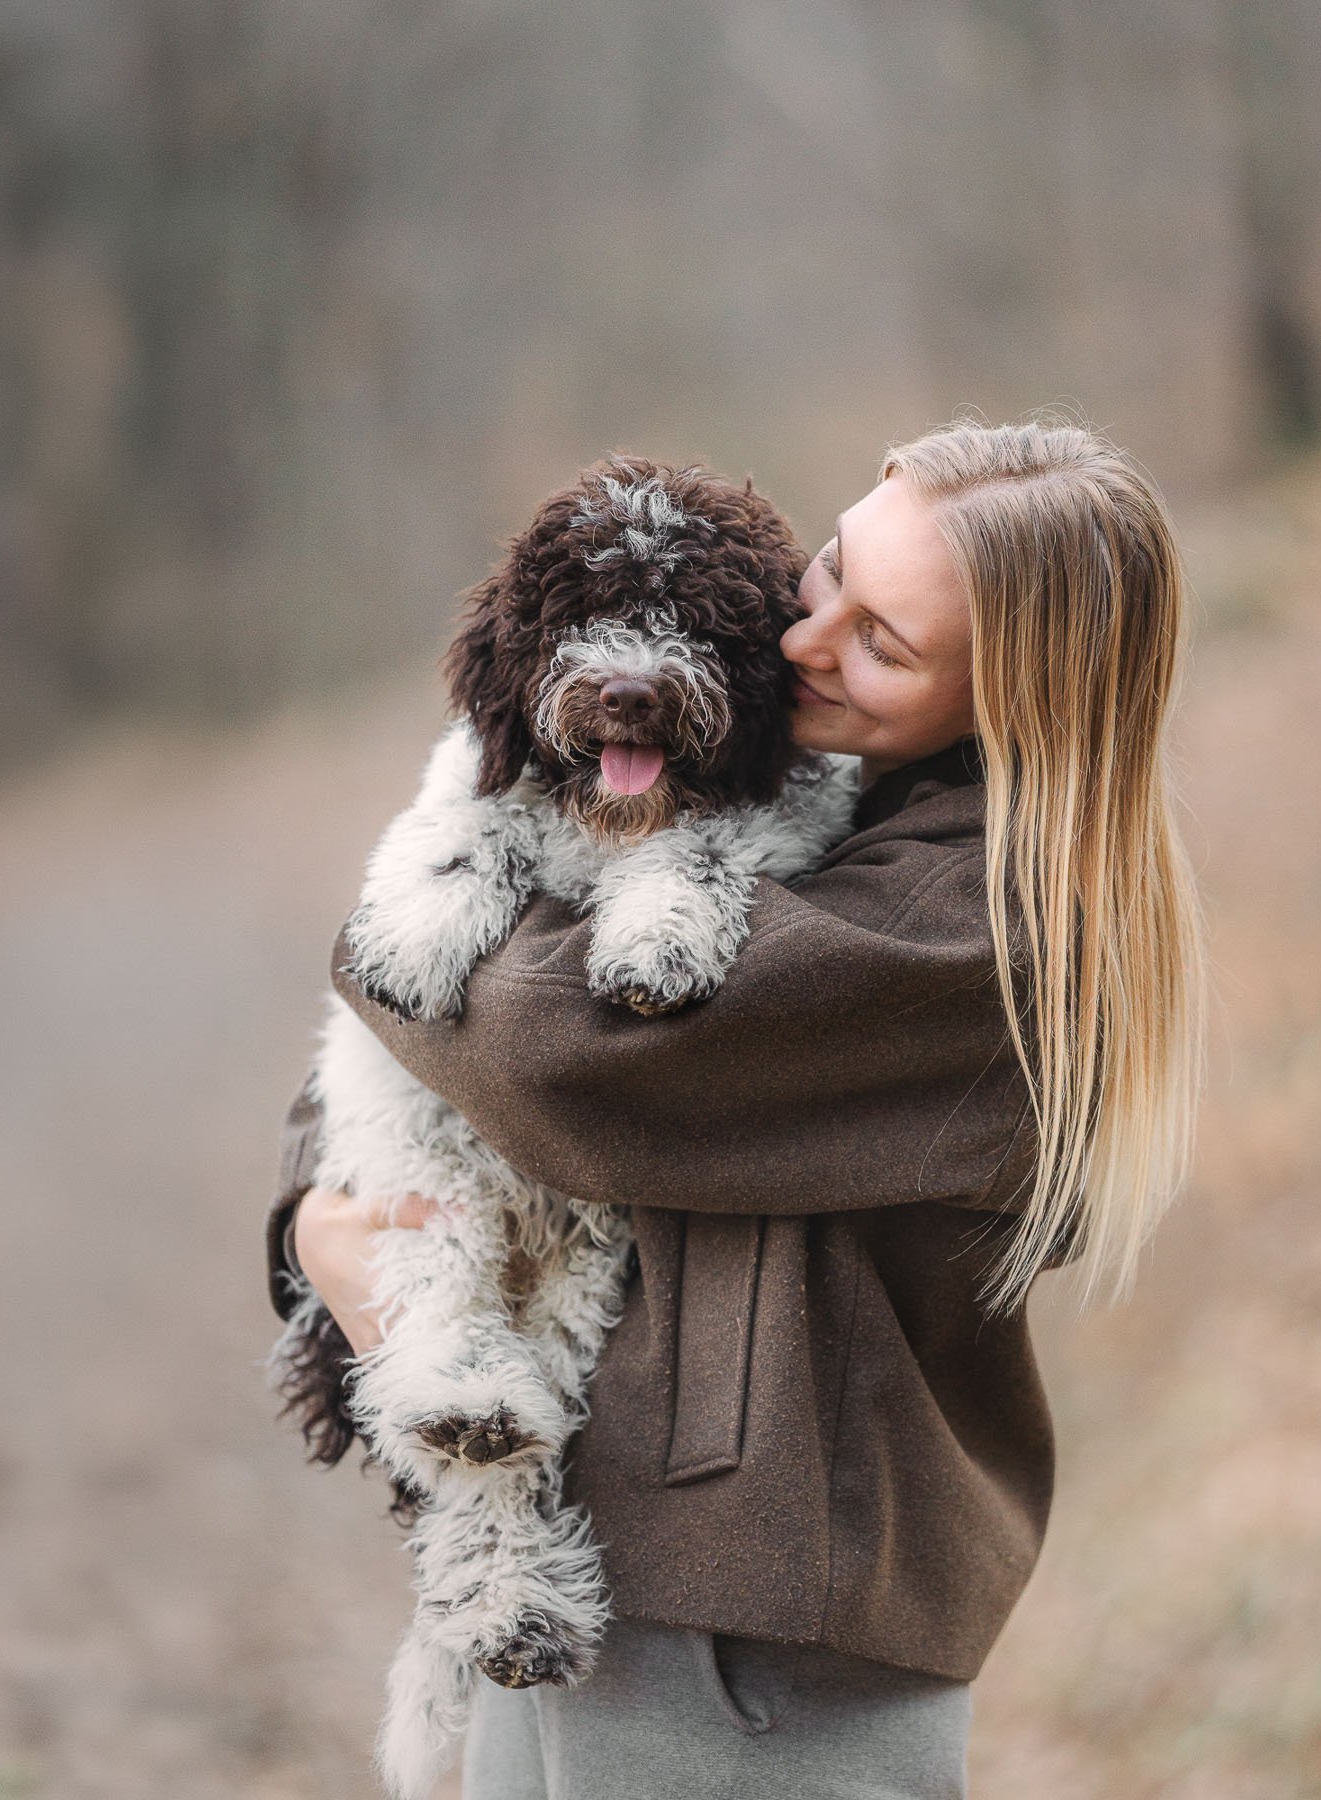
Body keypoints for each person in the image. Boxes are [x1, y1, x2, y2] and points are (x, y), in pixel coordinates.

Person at [264, 415, 1206, 1799]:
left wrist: (404, 901)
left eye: (882, 643)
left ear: (1018, 702)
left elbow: (549, 1062)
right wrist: (313, 1229)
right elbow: (400, 1062)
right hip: (616, 1556)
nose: (803, 641)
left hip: (751, 1622)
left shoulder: (976, 928)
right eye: (826, 577)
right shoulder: (807, 794)